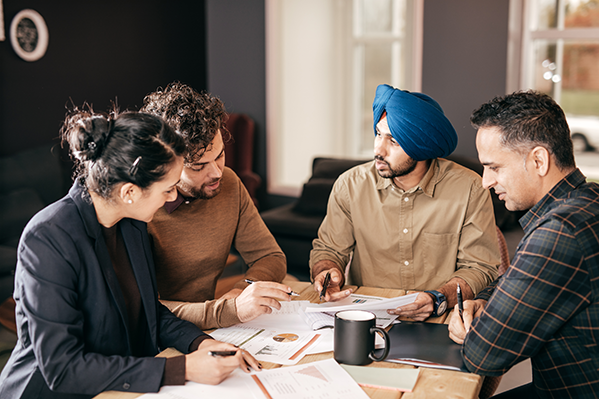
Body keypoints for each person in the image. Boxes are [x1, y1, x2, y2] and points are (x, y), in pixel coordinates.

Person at [0, 107, 260, 398]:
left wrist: (200, 343)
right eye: (168, 189)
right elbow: (63, 368)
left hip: (120, 386)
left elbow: (149, 312)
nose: (174, 197)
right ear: (129, 192)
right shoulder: (47, 239)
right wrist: (181, 369)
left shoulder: (132, 224)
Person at [448, 90, 599, 398]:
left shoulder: (559, 231)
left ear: (539, 160)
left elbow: (483, 354)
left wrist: (470, 331)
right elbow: (519, 277)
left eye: (494, 167)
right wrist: (486, 300)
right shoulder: (587, 200)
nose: (485, 182)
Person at [311, 84, 500, 321]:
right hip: (365, 318)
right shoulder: (350, 185)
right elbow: (329, 249)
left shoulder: (470, 188)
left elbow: (479, 267)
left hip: (437, 319)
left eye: (394, 141)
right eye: (378, 134)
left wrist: (437, 298)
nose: (378, 150)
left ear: (421, 148)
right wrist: (328, 271)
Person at [141, 82, 290, 330]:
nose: (216, 173)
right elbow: (143, 310)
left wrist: (242, 291)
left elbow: (271, 257)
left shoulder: (229, 183)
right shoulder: (143, 208)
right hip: (160, 336)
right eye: (199, 166)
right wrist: (226, 311)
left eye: (220, 155)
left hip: (211, 325)